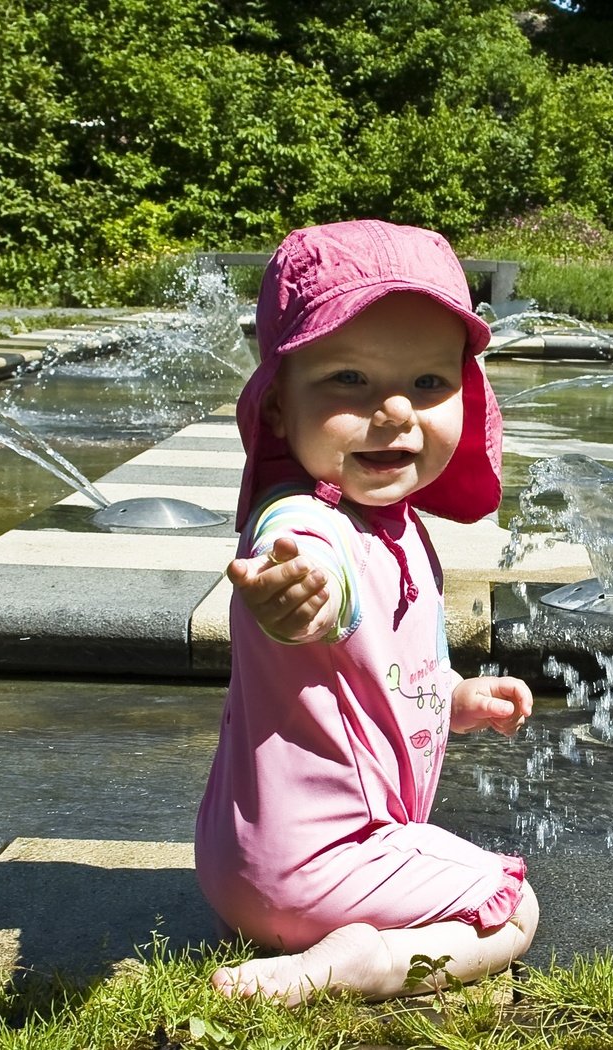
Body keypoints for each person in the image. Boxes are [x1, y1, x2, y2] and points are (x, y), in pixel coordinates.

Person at [194, 219, 538, 1005]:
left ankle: (314, 934)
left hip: (239, 865)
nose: (394, 411)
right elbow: (314, 587)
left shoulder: (399, 526)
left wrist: (454, 700)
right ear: (279, 408)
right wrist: (294, 597)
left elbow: (372, 671)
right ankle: (366, 964)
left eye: (427, 383)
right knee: (514, 907)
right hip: (321, 869)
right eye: (348, 379)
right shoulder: (307, 527)